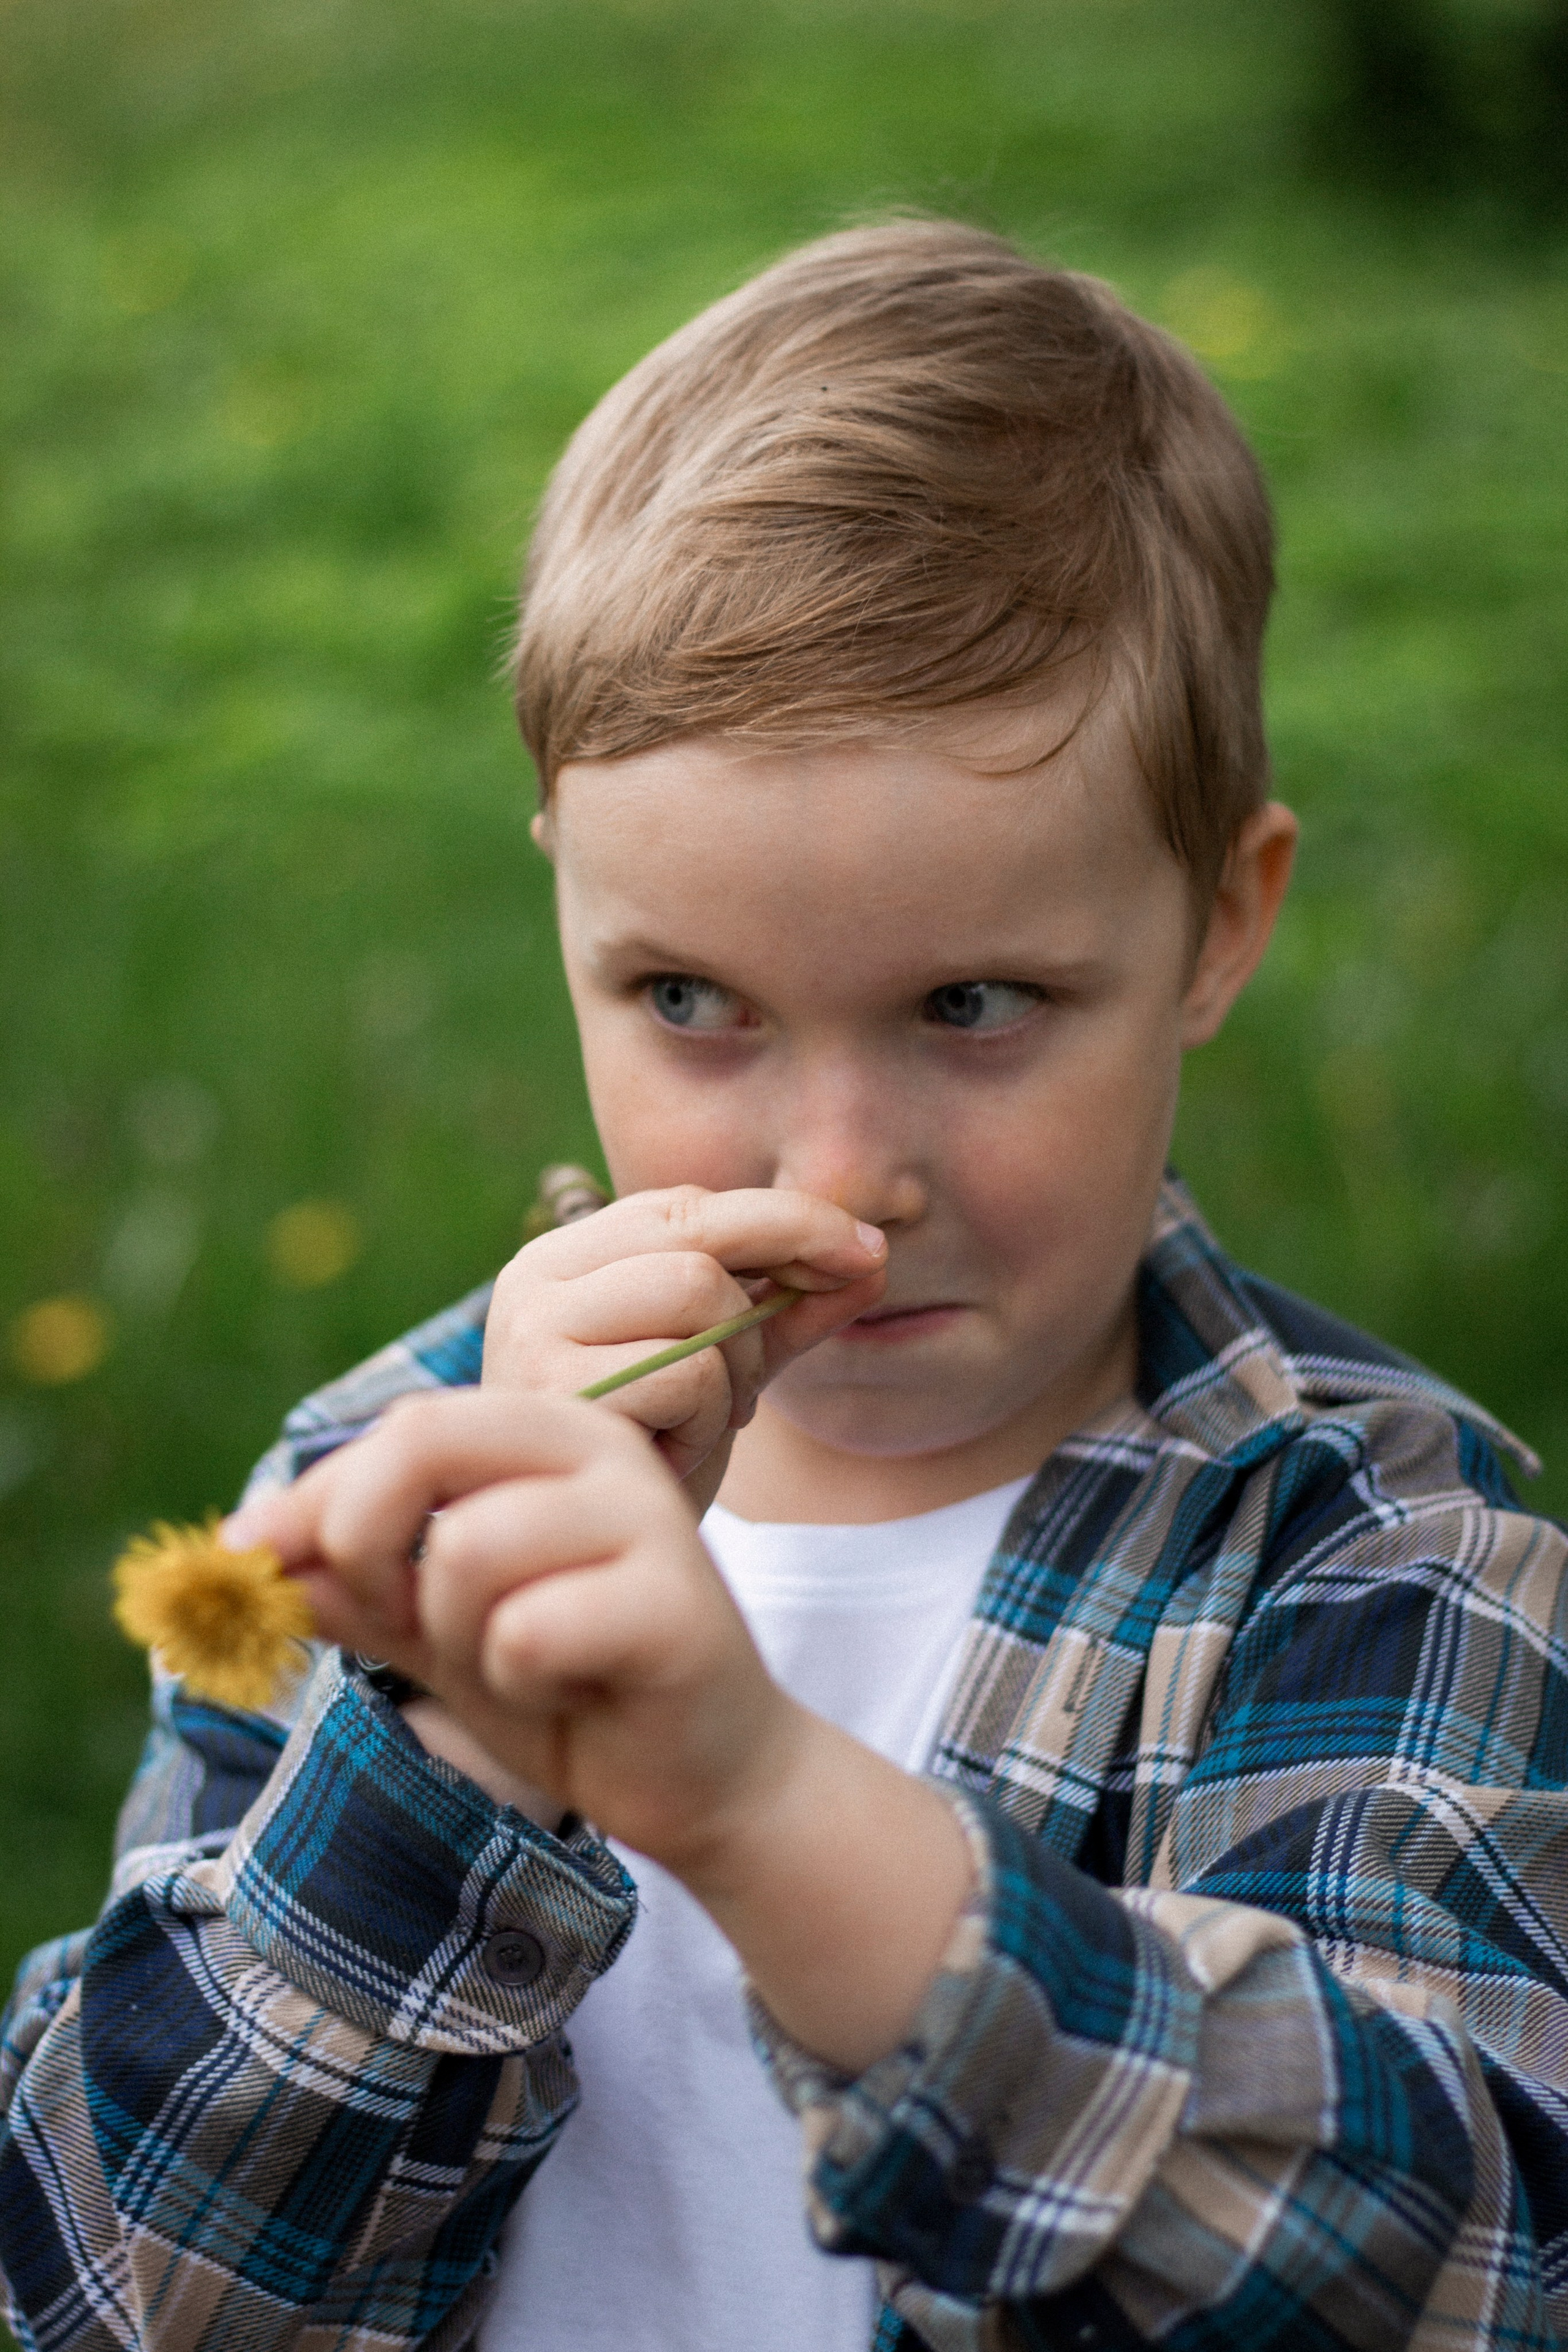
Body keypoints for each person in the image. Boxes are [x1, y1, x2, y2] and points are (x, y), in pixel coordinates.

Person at [2, 218, 1564, 2352]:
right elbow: (114, 2297)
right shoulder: (381, 1500)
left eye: (975, 1002)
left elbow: (1447, 2283)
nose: (838, 1179)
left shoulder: (1387, 1552)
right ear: (569, 895)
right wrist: (443, 1752)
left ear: (1219, 922)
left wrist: (758, 1804)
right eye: (692, 1001)